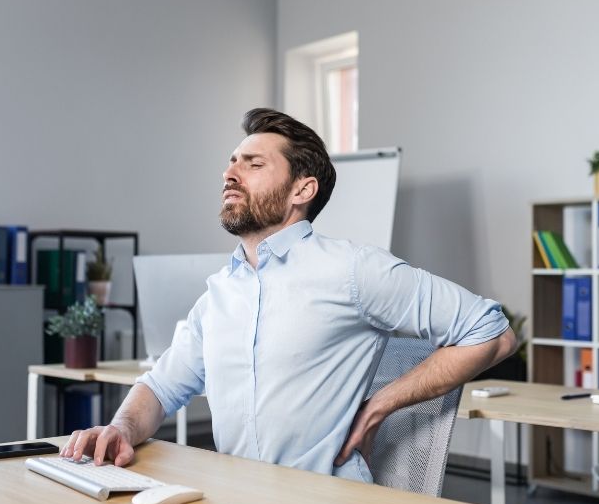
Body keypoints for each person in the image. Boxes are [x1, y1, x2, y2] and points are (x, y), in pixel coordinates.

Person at [62, 108, 516, 483]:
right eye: (232, 162)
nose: (230, 173)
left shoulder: (353, 269)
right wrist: (121, 427)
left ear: (303, 189)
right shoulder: (220, 293)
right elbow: (160, 387)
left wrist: (382, 402)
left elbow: (492, 332)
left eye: (253, 164)